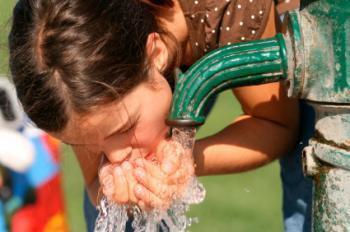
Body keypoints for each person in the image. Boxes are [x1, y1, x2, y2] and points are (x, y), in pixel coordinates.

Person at [8, 0, 310, 231]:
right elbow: (94, 187)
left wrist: (186, 159)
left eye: (123, 128)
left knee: (314, 178)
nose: (115, 157)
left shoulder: (230, 7)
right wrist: (115, 194)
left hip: (277, 25)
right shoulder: (73, 70)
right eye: (91, 144)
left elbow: (277, 123)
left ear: (155, 56)